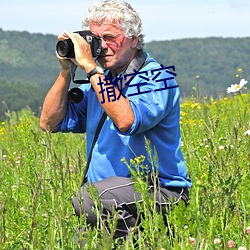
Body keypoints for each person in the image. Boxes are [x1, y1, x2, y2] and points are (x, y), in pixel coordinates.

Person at [40, 0, 192, 244]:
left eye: (110, 37)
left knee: (88, 199)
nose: (102, 47)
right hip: (110, 200)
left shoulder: (158, 77)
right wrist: (66, 70)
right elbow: (49, 123)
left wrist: (90, 68)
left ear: (133, 39)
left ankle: (146, 241)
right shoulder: (102, 84)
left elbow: (126, 120)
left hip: (160, 192)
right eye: (96, 39)